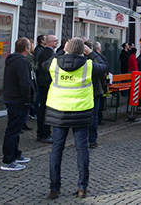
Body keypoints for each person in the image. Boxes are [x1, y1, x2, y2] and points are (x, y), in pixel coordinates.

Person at [44, 37, 106, 199]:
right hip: (81, 112)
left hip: (59, 113)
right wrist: (91, 53)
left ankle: (54, 189)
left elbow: (46, 63)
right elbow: (104, 66)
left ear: (66, 48)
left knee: (56, 150)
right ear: (82, 50)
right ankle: (82, 188)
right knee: (82, 150)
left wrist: (61, 51)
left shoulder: (54, 64)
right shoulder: (89, 65)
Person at [1, 37, 36, 171]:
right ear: (26, 48)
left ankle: (15, 154)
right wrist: (28, 98)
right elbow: (24, 82)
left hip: (12, 97)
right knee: (13, 129)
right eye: (29, 46)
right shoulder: (21, 62)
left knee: (15, 129)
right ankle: (8, 159)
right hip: (17, 99)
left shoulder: (12, 60)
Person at [84, 40, 108, 148]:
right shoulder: (96, 60)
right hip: (95, 91)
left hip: (82, 92)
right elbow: (103, 72)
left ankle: (83, 139)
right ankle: (92, 140)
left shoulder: (79, 60)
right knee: (94, 117)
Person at [36, 34, 58, 143]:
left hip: (43, 84)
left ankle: (41, 132)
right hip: (47, 85)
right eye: (55, 41)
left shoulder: (44, 53)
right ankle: (45, 133)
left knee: (43, 109)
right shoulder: (50, 54)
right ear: (49, 42)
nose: (57, 43)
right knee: (46, 110)